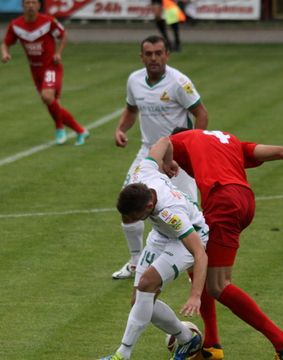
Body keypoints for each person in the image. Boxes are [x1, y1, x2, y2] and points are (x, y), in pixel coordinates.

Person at [149, 129, 283, 360]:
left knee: (218, 285)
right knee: (199, 263)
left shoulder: (182, 138)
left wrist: (166, 161)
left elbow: (163, 143)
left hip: (223, 201)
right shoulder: (229, 141)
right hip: (244, 201)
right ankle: (212, 346)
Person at [112, 35, 208, 280]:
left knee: (188, 214)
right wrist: (121, 128)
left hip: (177, 156)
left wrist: (192, 145)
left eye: (158, 53)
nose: (153, 58)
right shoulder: (134, 80)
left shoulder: (179, 82)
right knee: (127, 206)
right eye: (149, 54)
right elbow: (132, 110)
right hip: (148, 154)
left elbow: (201, 113)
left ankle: (195, 269)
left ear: (167, 55)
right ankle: (135, 261)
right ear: (141, 56)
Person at [99, 151, 210, 360]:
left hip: (188, 239)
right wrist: (168, 160)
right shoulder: (143, 172)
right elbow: (163, 142)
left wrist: (195, 295)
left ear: (149, 206)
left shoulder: (171, 212)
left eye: (133, 217)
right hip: (161, 233)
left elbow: (199, 253)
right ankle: (188, 339)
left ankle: (122, 355)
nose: (129, 221)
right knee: (139, 300)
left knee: (147, 283)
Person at [0, 0, 89, 146]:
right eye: (27, 3)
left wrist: (58, 53)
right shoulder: (16, 25)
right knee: (53, 104)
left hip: (51, 66)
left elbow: (63, 35)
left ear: (39, 5)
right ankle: (80, 131)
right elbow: (6, 43)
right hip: (35, 70)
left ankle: (59, 128)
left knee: (47, 96)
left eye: (33, 2)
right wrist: (5, 53)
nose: (30, 6)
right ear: (22, 5)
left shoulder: (48, 21)